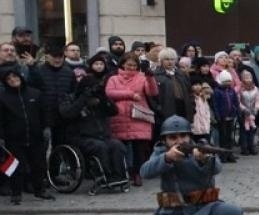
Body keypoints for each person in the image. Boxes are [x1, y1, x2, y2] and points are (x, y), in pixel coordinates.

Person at [142, 116, 247, 215]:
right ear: (165, 140)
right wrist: (167, 158)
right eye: (173, 137)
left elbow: (217, 168)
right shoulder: (161, 153)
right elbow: (145, 171)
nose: (179, 140)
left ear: (189, 136)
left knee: (233, 212)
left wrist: (204, 160)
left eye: (183, 136)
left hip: (207, 210)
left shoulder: (200, 148)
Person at [60, 52, 128, 186]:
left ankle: (118, 176)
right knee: (100, 147)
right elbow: (68, 113)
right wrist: (84, 98)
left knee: (117, 145)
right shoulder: (71, 99)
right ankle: (104, 176)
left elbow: (114, 111)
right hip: (81, 137)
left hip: (102, 135)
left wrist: (103, 98)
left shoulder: (98, 100)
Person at [0, 63, 52, 202]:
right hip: (14, 138)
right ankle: (16, 193)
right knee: (16, 167)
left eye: (14, 76)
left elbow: (44, 112)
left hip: (36, 136)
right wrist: (2, 137)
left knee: (38, 164)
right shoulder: (3, 97)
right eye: (9, 78)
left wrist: (46, 127)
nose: (12, 80)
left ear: (20, 77)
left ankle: (39, 190)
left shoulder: (35, 93)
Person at [107, 52, 158, 183]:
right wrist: (130, 94)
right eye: (129, 65)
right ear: (123, 64)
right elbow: (109, 92)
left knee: (139, 148)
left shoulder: (142, 78)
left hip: (138, 116)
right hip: (119, 117)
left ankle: (138, 174)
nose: (131, 67)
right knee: (121, 147)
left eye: (134, 65)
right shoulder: (114, 79)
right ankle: (124, 172)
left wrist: (150, 77)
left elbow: (152, 92)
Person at [236, 69, 259, 156]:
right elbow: (238, 101)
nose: (248, 79)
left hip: (253, 112)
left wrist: (256, 108)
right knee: (244, 130)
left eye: (250, 77)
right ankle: (244, 147)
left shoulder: (255, 88)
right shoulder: (240, 89)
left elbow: (258, 100)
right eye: (246, 77)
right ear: (242, 78)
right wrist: (243, 109)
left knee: (252, 130)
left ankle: (251, 147)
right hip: (243, 112)